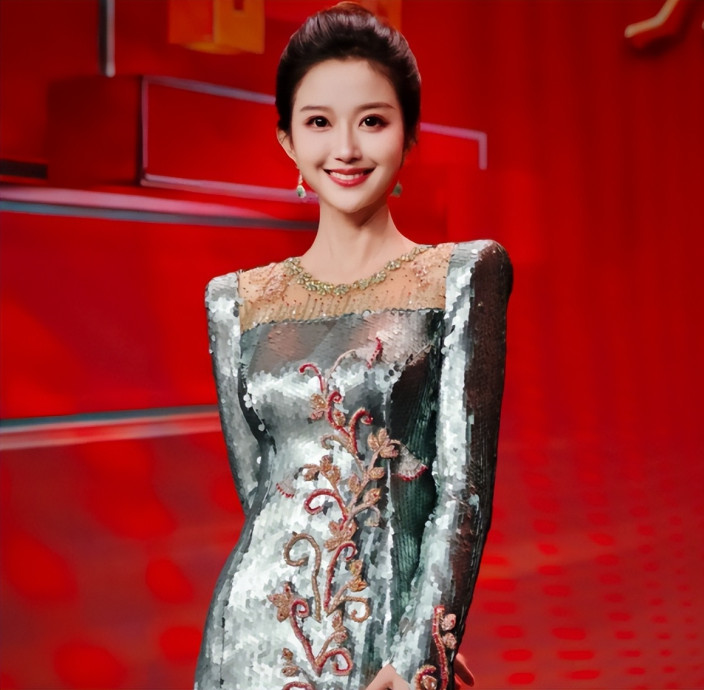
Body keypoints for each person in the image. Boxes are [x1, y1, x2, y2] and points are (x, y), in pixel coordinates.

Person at [195, 3, 512, 689]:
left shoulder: (459, 276)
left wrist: (422, 643)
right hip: (249, 636)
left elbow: (462, 494)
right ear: (286, 140)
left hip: (381, 638)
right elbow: (259, 494)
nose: (345, 148)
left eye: (371, 121)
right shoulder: (235, 301)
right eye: (318, 122)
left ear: (409, 133)